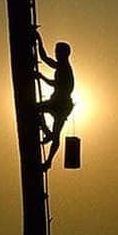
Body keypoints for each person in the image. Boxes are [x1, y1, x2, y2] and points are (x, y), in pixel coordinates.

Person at [35, 32, 74, 171]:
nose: (56, 54)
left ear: (64, 54)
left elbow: (55, 84)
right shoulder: (60, 66)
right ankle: (48, 133)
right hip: (59, 103)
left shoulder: (65, 69)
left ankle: (49, 158)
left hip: (61, 104)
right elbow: (44, 58)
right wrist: (39, 38)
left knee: (35, 110)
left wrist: (41, 76)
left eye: (58, 52)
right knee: (38, 111)